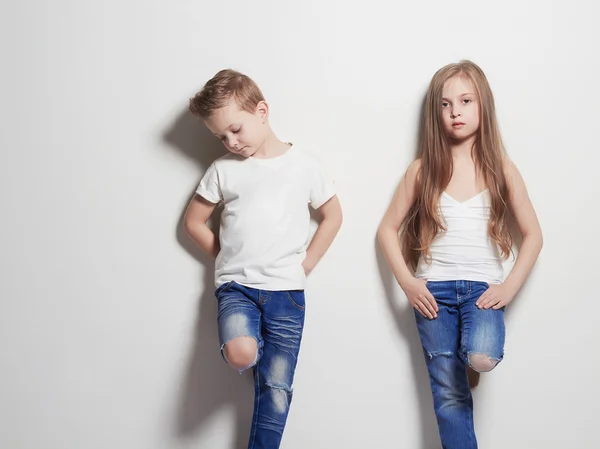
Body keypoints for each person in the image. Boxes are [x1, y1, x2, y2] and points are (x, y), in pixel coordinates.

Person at [377, 60, 543, 449]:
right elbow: (387, 229)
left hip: (482, 290)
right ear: (435, 112)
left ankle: (467, 361)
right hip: (433, 294)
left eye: (466, 101)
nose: (455, 112)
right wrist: (408, 283)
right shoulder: (422, 171)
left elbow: (533, 235)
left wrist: (510, 288)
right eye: (445, 104)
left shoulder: (502, 169)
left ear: (483, 105)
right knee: (448, 395)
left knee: (482, 357)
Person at [184, 69, 343, 449]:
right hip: (237, 287)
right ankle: (251, 351)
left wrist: (306, 264)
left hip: (287, 293)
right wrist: (226, 258)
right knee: (242, 353)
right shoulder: (223, 170)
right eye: (222, 136)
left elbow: (333, 216)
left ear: (262, 111)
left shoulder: (304, 164)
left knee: (277, 390)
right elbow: (194, 220)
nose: (231, 142)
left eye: (236, 129)